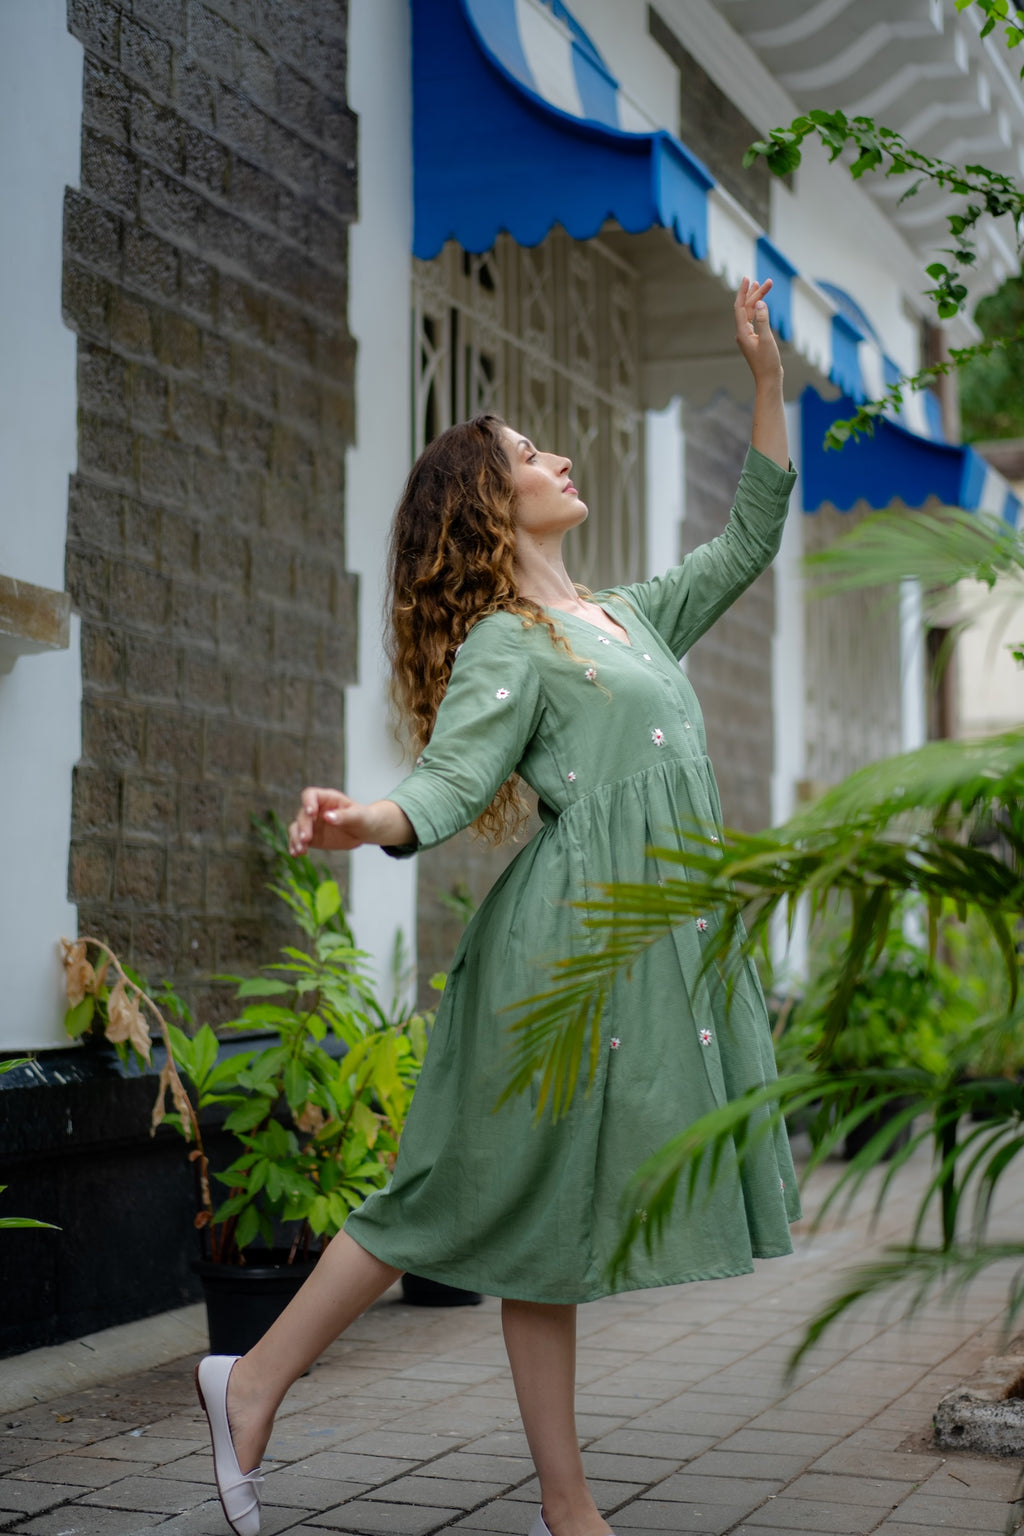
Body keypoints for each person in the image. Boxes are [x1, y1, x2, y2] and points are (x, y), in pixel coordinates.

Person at [195, 277, 802, 1536]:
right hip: (563, 955)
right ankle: (251, 1378)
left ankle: (563, 1509)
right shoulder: (507, 644)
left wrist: (762, 382)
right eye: (532, 454)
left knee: (546, 1226)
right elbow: (450, 781)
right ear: (490, 499)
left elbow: (749, 537)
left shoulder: (627, 615)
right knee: (460, 1195)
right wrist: (363, 820)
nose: (561, 457)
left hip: (641, 946)